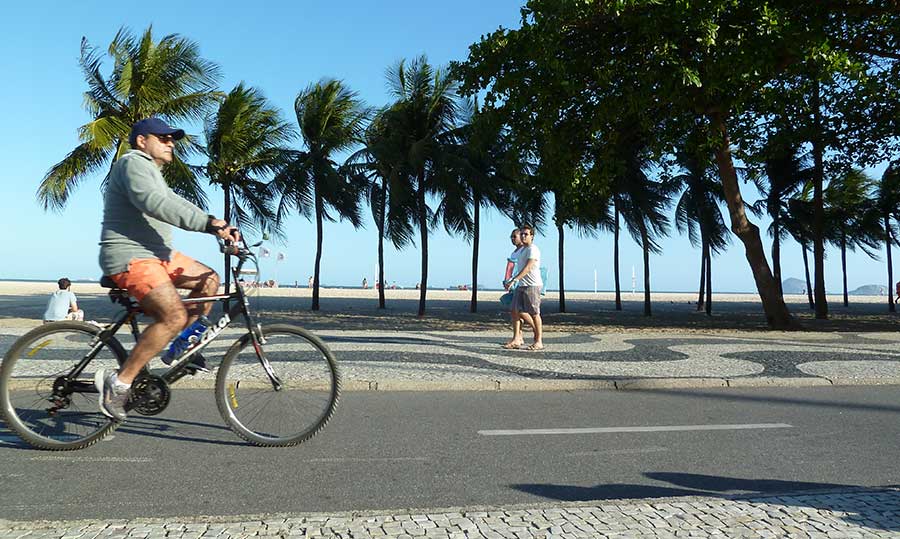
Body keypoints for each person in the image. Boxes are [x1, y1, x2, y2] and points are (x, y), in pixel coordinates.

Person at [94, 118, 239, 421]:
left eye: (172, 138)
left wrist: (218, 225)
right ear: (142, 141)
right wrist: (206, 225)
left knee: (209, 279)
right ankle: (119, 384)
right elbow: (154, 203)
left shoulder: (153, 172)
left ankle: (182, 347)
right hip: (131, 257)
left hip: (159, 255)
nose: (171, 143)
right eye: (163, 138)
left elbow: (176, 202)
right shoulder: (132, 163)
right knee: (174, 315)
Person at [507, 225, 544, 351]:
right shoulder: (522, 250)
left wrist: (515, 279)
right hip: (522, 285)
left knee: (534, 313)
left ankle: (538, 341)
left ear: (532, 236)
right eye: (521, 234)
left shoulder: (533, 249)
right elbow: (514, 266)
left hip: (532, 285)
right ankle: (517, 338)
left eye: (526, 234)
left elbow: (528, 267)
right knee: (514, 310)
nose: (523, 236)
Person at [502, 228, 524, 349]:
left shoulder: (523, 251)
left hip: (519, 284)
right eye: (511, 237)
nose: (512, 239)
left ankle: (536, 331)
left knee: (520, 311)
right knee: (515, 311)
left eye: (514, 236)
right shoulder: (514, 251)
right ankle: (518, 336)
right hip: (512, 284)